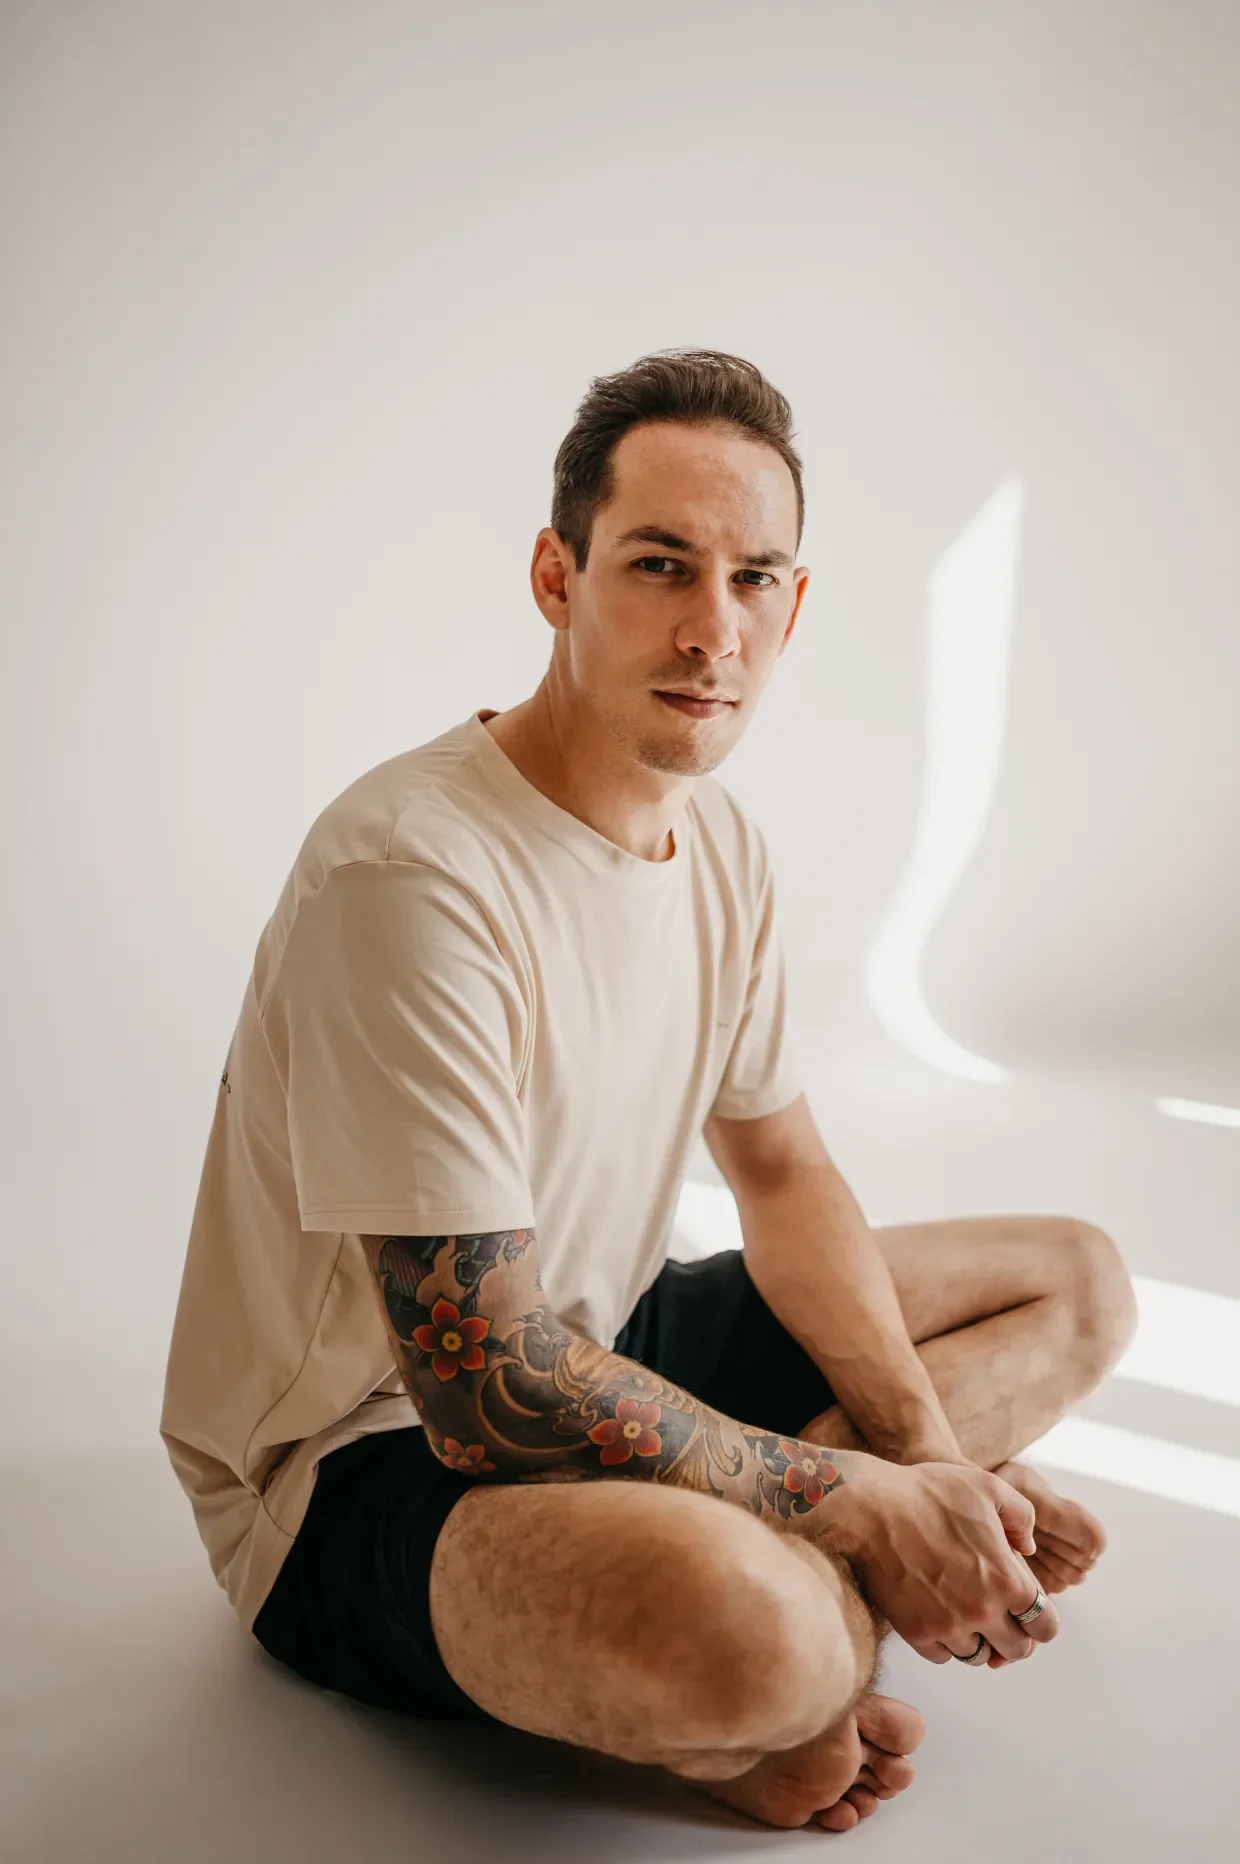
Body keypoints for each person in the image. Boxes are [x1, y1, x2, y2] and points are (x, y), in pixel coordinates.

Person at [161, 347, 1138, 1834]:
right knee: (761, 1640)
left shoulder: (721, 843)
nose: (712, 629)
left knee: (1078, 1283)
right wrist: (863, 1502)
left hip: (600, 1335)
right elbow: (479, 1384)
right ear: (557, 577)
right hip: (361, 1466)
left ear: (794, 606)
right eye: (661, 565)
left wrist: (936, 1468)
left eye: (754, 578)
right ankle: (788, 1654)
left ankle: (815, 1618)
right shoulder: (412, 875)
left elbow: (786, 1179)